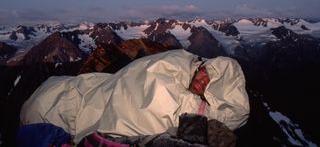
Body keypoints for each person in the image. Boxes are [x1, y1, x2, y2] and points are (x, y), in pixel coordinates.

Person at [20, 49, 250, 144]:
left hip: (53, 109)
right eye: (203, 73)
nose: (201, 82)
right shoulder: (177, 63)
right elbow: (156, 97)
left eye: (209, 84)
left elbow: (236, 115)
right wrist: (204, 125)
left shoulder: (189, 91)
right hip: (53, 105)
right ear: (201, 65)